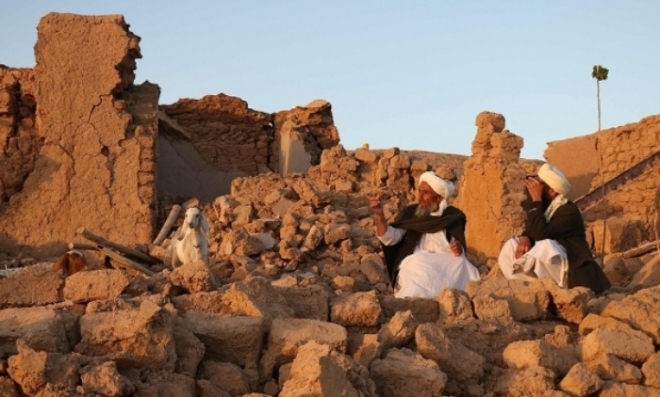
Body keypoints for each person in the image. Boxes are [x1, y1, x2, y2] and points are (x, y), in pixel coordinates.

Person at [498, 163, 611, 294]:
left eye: (539, 186)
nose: (534, 189)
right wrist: (525, 236)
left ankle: (553, 291)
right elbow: (533, 224)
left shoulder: (568, 211)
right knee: (511, 245)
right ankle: (531, 289)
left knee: (545, 247)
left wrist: (536, 199)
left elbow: (542, 234)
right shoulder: (546, 206)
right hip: (552, 269)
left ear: (552, 191)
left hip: (573, 272)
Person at [369, 171, 481, 298]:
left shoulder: (452, 216)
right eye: (419, 191)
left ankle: (451, 297)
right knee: (418, 262)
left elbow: (458, 245)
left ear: (439, 197)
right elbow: (389, 238)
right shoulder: (411, 213)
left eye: (425, 193)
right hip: (419, 264)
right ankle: (416, 299)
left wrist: (458, 248)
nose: (420, 196)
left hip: (443, 263)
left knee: (463, 264)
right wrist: (379, 215)